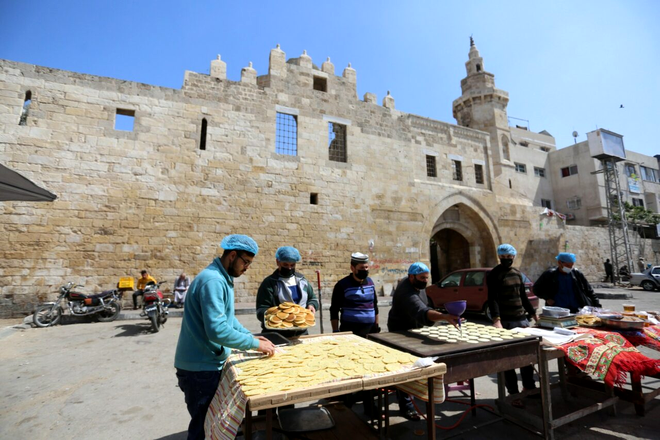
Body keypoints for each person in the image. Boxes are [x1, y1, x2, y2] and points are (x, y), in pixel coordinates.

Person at [174, 234, 276, 440]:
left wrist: (252, 337)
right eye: (245, 262)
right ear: (232, 255)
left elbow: (228, 320)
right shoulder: (212, 281)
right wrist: (253, 344)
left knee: (212, 423)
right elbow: (218, 330)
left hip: (208, 364)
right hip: (200, 369)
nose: (246, 268)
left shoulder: (223, 278)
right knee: (203, 427)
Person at [388, 262, 460, 420]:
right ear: (411, 276)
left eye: (427, 278)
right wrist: (443, 317)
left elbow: (424, 306)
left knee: (418, 365)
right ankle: (406, 405)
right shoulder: (405, 291)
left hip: (414, 329)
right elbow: (421, 311)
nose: (424, 281)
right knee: (406, 368)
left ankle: (414, 393)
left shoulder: (419, 288)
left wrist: (444, 314)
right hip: (399, 331)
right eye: (421, 278)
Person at [486, 244, 539, 406]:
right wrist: (496, 319)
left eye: (509, 257)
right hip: (505, 321)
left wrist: (533, 314)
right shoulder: (494, 274)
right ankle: (513, 394)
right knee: (508, 360)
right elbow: (492, 297)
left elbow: (523, 296)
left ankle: (529, 387)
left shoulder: (517, 273)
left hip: (521, 319)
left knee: (527, 357)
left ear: (513, 257)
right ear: (499, 257)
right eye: (504, 257)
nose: (507, 260)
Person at [255, 246, 318, 336]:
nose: (289, 268)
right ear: (278, 262)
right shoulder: (269, 283)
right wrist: (280, 316)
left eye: (292, 265)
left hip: (301, 333)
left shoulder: (302, 280)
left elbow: (313, 298)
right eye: (285, 265)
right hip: (277, 334)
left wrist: (312, 305)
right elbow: (261, 310)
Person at [330, 252, 379, 338]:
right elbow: (334, 309)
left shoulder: (370, 283)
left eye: (366, 267)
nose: (364, 270)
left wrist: (376, 326)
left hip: (370, 331)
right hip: (350, 332)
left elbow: (374, 305)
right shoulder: (342, 285)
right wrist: (335, 330)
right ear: (352, 268)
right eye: (361, 268)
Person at [533, 252, 601, 314]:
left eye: (571, 265)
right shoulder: (550, 274)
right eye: (567, 265)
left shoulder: (577, 274)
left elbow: (589, 291)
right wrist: (547, 298)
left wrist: (597, 307)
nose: (570, 268)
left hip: (577, 310)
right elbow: (536, 288)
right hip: (558, 310)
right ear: (559, 263)